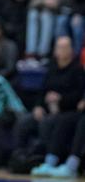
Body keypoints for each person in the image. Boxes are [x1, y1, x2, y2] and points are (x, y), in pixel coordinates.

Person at [15, 36, 85, 164]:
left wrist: (60, 99)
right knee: (24, 122)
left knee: (48, 123)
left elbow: (78, 96)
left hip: (66, 109)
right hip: (47, 108)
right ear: (55, 50)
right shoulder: (51, 68)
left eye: (65, 47)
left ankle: (47, 157)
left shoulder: (77, 70)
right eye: (60, 47)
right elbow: (42, 91)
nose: (62, 50)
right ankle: (20, 157)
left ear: (71, 50)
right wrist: (38, 106)